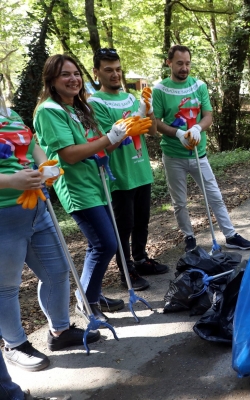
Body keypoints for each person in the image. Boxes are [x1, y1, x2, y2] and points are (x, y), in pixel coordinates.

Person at [0, 87, 100, 373]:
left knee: (57, 271)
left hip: (37, 209)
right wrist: (11, 181)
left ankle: (60, 331)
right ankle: (14, 344)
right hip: (4, 216)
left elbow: (32, 145)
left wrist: (46, 165)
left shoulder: (11, 114)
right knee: (6, 287)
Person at [34, 54, 129, 324]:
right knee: (105, 244)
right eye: (65, 74)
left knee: (99, 244)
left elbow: (97, 145)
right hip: (76, 188)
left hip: (97, 183)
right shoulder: (49, 111)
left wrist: (117, 137)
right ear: (51, 80)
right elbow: (70, 155)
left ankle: (92, 294)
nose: (73, 79)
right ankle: (87, 301)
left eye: (76, 73)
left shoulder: (79, 108)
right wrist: (107, 139)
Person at [152, 45, 250, 252]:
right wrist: (178, 133)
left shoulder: (199, 86)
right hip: (173, 155)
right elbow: (155, 122)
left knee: (214, 195)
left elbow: (208, 115)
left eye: (187, 63)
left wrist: (198, 127)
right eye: (179, 63)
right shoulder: (160, 90)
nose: (184, 68)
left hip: (199, 153)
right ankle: (189, 236)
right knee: (179, 201)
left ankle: (230, 234)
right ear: (169, 63)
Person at [88, 48, 169, 295]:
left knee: (142, 221)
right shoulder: (95, 103)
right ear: (96, 73)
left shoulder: (131, 98)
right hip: (118, 175)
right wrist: (128, 128)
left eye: (118, 69)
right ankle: (127, 270)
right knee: (124, 225)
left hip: (141, 169)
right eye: (108, 70)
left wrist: (149, 109)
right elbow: (104, 143)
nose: (115, 74)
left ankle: (141, 259)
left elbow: (152, 132)